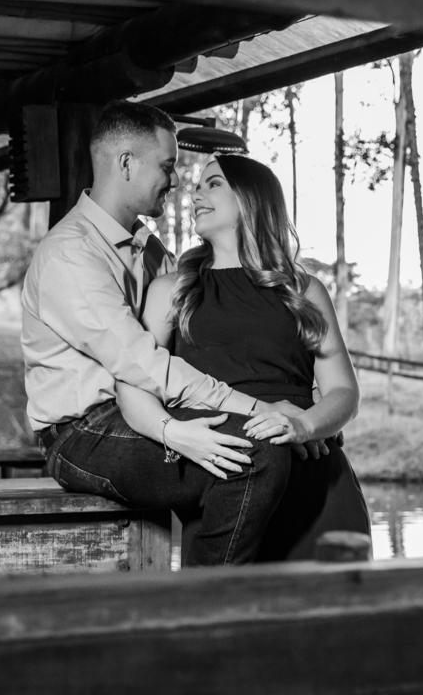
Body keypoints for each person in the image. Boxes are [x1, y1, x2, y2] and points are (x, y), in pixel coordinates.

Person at [21, 101, 296, 567]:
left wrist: (300, 416)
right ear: (127, 163)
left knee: (268, 441)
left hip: (142, 412)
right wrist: (259, 411)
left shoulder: (151, 251)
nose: (175, 181)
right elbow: (143, 363)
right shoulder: (70, 254)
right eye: (167, 166)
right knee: (259, 453)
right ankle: (205, 604)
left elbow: (190, 343)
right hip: (82, 434)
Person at [117, 154, 370, 561]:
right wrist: (173, 433)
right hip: (230, 475)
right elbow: (133, 384)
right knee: (224, 596)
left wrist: (304, 425)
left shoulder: (303, 290)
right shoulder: (172, 290)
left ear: (251, 198)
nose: (195, 194)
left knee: (337, 601)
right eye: (197, 186)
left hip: (314, 478)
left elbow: (344, 392)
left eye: (213, 183)